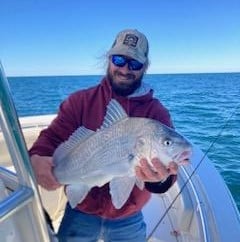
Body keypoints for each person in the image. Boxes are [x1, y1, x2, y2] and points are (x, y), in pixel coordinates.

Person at [29, 29, 181, 242]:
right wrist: (36, 158)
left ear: (144, 68)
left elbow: (168, 173)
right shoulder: (80, 101)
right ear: (109, 59)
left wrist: (160, 178)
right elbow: (52, 138)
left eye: (135, 64)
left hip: (128, 218)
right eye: (119, 59)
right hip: (80, 213)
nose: (125, 69)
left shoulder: (156, 113)